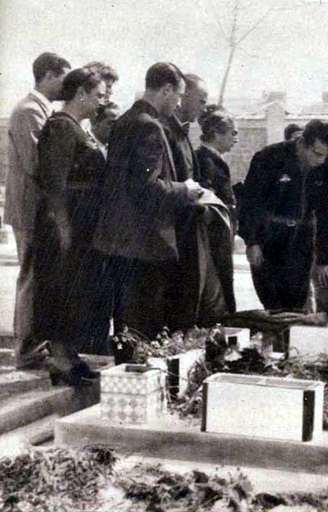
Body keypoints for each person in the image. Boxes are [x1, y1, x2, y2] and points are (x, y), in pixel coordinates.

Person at [93, 62, 206, 343]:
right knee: (142, 325)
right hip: (145, 245)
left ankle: (124, 379)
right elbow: (146, 187)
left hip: (122, 242)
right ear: (166, 90)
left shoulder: (126, 120)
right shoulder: (148, 127)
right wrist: (185, 189)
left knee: (126, 325)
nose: (179, 102)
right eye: (178, 95)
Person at [34, 67, 107, 385]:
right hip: (64, 227)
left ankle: (70, 356)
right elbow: (54, 184)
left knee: (75, 292)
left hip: (80, 224)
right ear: (81, 94)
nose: (102, 102)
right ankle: (61, 361)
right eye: (99, 95)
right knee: (61, 289)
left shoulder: (78, 127)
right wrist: (63, 228)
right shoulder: (62, 127)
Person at [4, 52, 71, 370]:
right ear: (46, 75)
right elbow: (35, 164)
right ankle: (24, 346)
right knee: (30, 275)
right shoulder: (29, 111)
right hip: (29, 207)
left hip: (36, 207)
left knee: (35, 274)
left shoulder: (40, 110)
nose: (65, 84)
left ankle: (31, 342)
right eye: (62, 77)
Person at [239, 119, 328, 310]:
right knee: (272, 303)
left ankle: (290, 338)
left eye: (326, 155)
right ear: (302, 143)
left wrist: (325, 259)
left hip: (301, 239)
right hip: (269, 237)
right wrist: (252, 241)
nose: (320, 161)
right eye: (316, 154)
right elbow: (251, 204)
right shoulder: (269, 158)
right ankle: (275, 337)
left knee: (296, 302)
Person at [163, 73, 212, 329]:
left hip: (188, 226)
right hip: (174, 231)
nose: (204, 108)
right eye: (201, 101)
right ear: (182, 99)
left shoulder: (182, 132)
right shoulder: (165, 130)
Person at [195, 104, 240, 315]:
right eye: (232, 133)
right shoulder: (205, 161)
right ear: (215, 134)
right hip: (212, 241)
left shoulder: (213, 160)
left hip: (221, 239)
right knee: (216, 296)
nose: (236, 138)